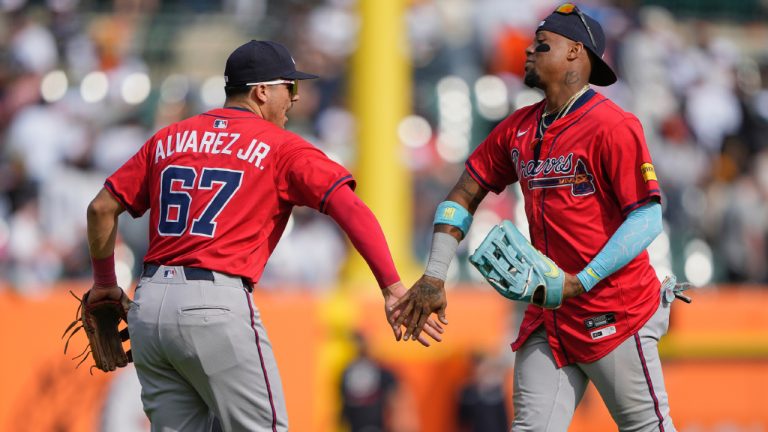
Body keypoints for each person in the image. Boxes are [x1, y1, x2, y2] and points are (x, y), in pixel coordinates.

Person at [84, 40, 442, 432]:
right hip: (215, 301)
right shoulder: (282, 147)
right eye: (290, 88)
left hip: (149, 306)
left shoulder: (169, 138)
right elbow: (351, 208)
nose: (295, 99)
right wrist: (391, 287)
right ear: (262, 92)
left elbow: (101, 208)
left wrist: (104, 283)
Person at [394, 4, 678, 430]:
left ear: (574, 53)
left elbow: (646, 218)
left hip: (615, 312)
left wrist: (581, 280)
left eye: (541, 44)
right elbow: (463, 194)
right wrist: (435, 274)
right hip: (549, 314)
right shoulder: (518, 127)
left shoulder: (613, 124)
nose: (528, 51)